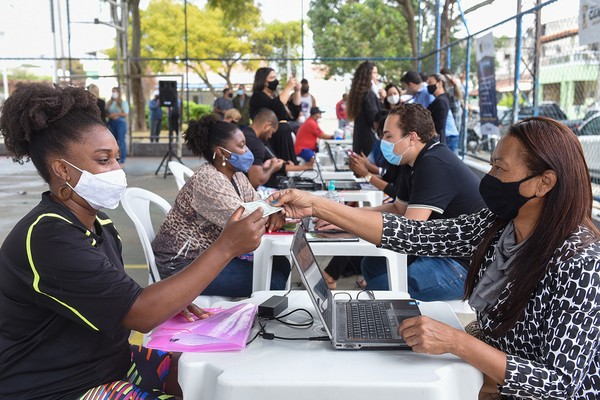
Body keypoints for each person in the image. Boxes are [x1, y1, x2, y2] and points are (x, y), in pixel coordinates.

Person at [269, 116, 600, 400]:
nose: (489, 176)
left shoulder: (580, 262)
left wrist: (457, 342)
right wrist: (317, 205)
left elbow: (562, 384)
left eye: (500, 168)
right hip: (495, 374)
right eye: (492, 163)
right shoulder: (501, 225)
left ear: (543, 183)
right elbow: (414, 233)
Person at [0, 83, 269, 399]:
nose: (117, 169)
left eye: (116, 158)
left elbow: (114, 294)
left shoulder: (97, 222)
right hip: (60, 387)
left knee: (198, 372)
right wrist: (226, 247)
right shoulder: (48, 236)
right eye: (104, 161)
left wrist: (173, 302)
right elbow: (139, 314)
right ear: (62, 169)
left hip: (107, 363)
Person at [357, 103, 486, 300]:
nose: (383, 141)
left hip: (462, 265)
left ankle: (399, 316)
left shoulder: (433, 163)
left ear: (412, 137)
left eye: (388, 135)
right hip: (438, 250)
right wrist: (344, 218)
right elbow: (397, 208)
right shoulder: (413, 162)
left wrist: (346, 222)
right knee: (372, 264)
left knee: (379, 288)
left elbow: (408, 232)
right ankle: (400, 315)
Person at [152, 114, 290, 296]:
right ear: (222, 152)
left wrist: (273, 212)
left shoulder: (237, 175)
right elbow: (247, 224)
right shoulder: (209, 181)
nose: (247, 151)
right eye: (241, 146)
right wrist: (273, 213)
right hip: (183, 266)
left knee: (281, 264)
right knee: (274, 280)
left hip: (209, 256)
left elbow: (260, 205)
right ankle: (252, 320)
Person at [249, 67, 312, 185]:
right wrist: (288, 87)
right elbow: (276, 106)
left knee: (288, 166)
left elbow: (294, 112)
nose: (275, 81)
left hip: (284, 136)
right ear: (263, 81)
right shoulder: (258, 97)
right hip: (273, 138)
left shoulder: (276, 96)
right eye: (272, 78)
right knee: (278, 167)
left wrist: (297, 90)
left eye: (275, 77)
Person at [243, 108, 286, 188]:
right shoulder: (256, 144)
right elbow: (256, 182)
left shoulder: (242, 134)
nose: (270, 136)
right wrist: (273, 167)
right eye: (272, 132)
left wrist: (263, 167)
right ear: (267, 125)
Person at [347, 61, 383, 156]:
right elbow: (374, 118)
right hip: (369, 140)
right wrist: (382, 101)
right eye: (374, 73)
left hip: (360, 139)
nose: (377, 76)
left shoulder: (358, 94)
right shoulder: (369, 94)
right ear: (368, 75)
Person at [427, 73, 458, 148]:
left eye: (430, 83)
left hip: (448, 139)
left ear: (440, 83)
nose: (428, 86)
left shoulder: (441, 101)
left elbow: (440, 125)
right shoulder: (443, 98)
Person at [106, 86, 129, 163]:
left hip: (120, 123)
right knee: (113, 141)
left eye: (115, 92)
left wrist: (117, 114)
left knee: (121, 141)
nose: (114, 93)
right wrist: (111, 116)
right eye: (113, 92)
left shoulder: (123, 103)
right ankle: (114, 159)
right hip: (111, 122)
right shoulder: (109, 103)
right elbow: (106, 113)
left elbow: (126, 113)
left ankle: (122, 159)